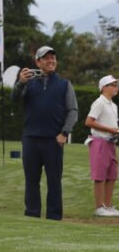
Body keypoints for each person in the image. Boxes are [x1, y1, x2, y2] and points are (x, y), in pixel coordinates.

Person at [12, 45, 78, 221]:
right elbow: (14, 99)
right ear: (38, 62)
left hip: (53, 140)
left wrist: (65, 132)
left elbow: (73, 111)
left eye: (53, 57)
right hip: (31, 139)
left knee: (54, 181)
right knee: (31, 181)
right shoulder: (28, 83)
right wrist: (20, 82)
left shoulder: (64, 84)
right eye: (46, 58)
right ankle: (32, 215)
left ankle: (54, 217)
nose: (51, 61)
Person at [84, 74, 119, 217]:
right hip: (99, 142)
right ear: (104, 87)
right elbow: (89, 121)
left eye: (116, 85)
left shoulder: (113, 105)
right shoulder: (99, 102)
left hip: (111, 143)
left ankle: (108, 206)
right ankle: (99, 207)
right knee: (100, 176)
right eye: (113, 85)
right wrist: (111, 130)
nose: (116, 87)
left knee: (112, 175)